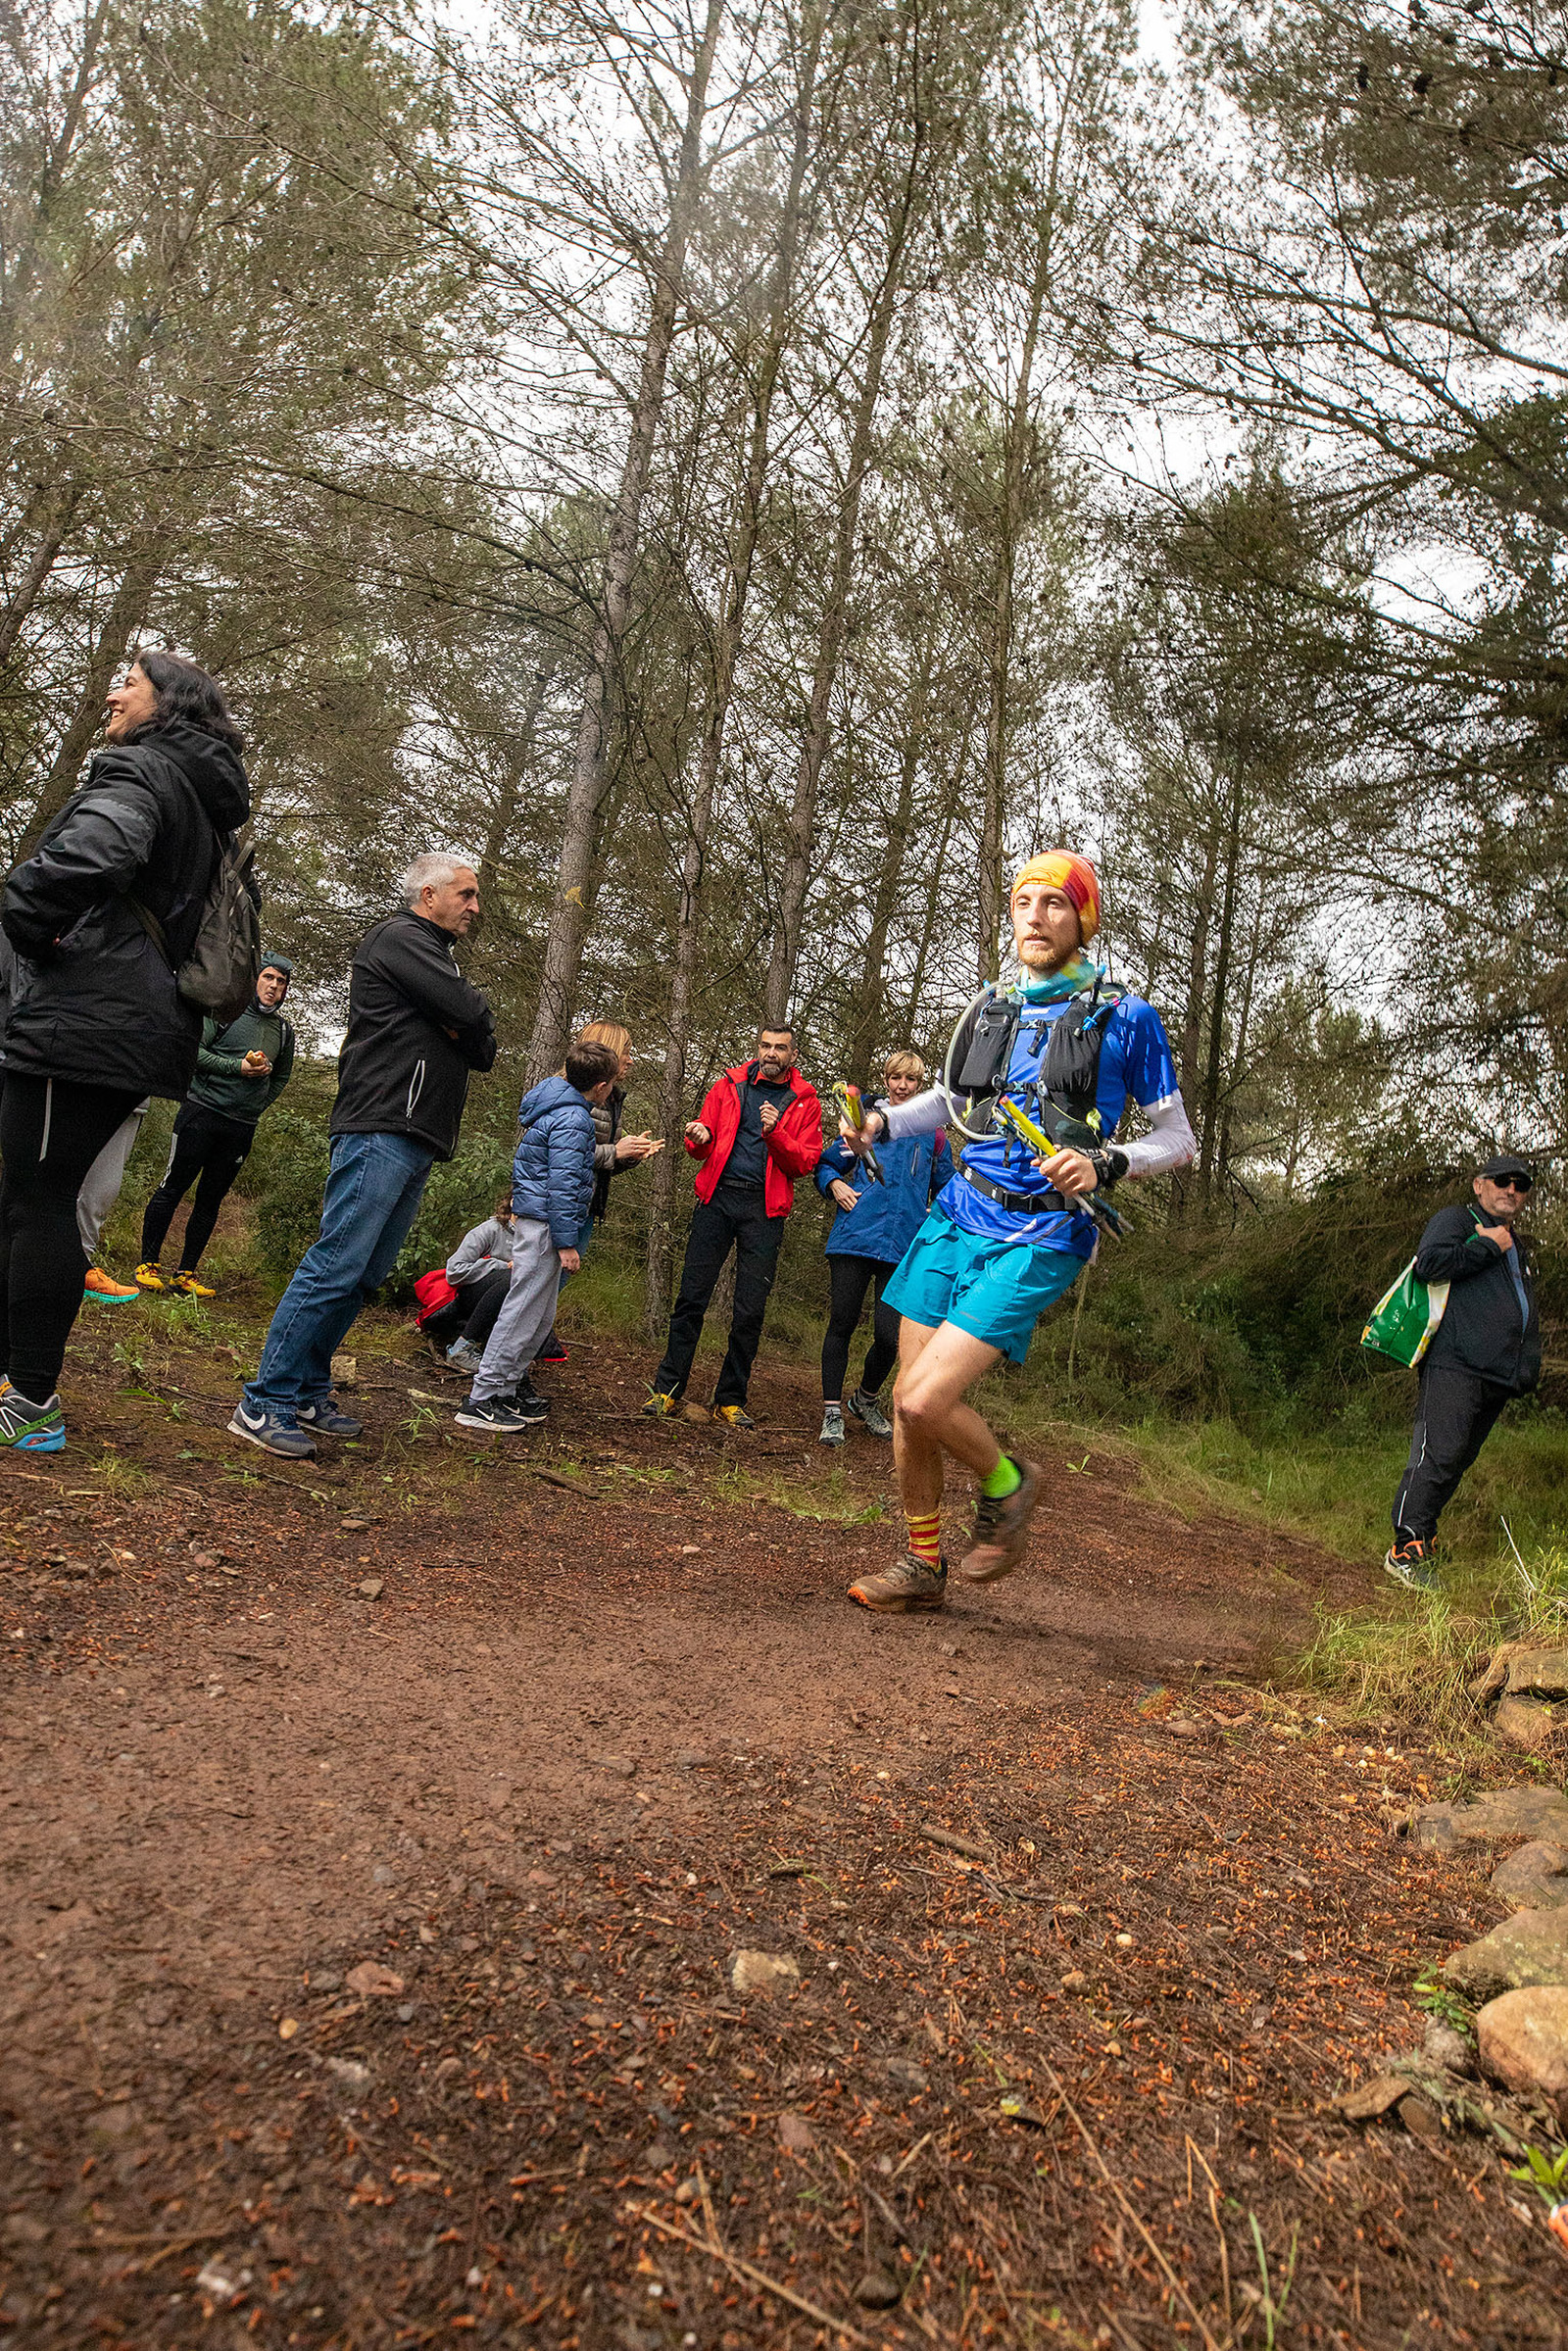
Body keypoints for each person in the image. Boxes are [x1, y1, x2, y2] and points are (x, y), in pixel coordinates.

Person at [838, 852, 1195, 1611]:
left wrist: (1107, 1162)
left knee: (923, 1400)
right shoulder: (992, 1004)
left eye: (1055, 903)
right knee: (907, 1404)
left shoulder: (1126, 1015)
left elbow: (1179, 1139)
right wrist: (879, 1123)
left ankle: (1008, 1481)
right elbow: (951, 1102)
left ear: (1083, 918)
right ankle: (922, 1566)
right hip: (957, 1214)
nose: (1036, 916)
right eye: (1024, 901)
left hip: (1041, 1232)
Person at [0, 649, 252, 1451]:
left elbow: (88, 858)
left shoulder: (143, 772)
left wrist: (25, 921)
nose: (112, 694)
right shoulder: (204, 803)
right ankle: (16, 1381)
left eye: (129, 684)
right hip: (135, 1024)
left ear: (168, 704)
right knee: (33, 1199)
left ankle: (30, 1400)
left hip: (85, 1017)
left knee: (39, 1200)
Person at [229, 856, 495, 1460]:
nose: (475, 907)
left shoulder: (437, 957)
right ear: (429, 895)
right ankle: (264, 1401)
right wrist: (456, 1019)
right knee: (335, 1264)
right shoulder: (400, 938)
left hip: (416, 1133)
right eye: (466, 894)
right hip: (380, 1122)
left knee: (364, 1274)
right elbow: (471, 1013)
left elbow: (482, 1047)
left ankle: (306, 1392)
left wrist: (459, 1020)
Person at [643, 1023, 823, 1428]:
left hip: (765, 1210)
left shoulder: (805, 1101)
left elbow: (805, 1162)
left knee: (749, 1310)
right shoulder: (728, 1085)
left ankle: (730, 1399)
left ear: (793, 1055)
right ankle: (667, 1391)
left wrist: (775, 1133)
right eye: (765, 1045)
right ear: (757, 1048)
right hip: (717, 1200)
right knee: (691, 1299)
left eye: (780, 1047)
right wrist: (698, 1136)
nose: (771, 1053)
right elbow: (701, 1144)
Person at [1385, 1152, 1542, 1592]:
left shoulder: (1514, 1241)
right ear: (1479, 1185)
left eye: (1521, 1185)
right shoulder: (1457, 1220)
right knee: (1437, 1454)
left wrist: (1525, 1367)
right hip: (1455, 1365)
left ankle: (1424, 1537)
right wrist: (1489, 1245)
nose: (1511, 1189)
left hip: (1497, 1375)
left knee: (1455, 1461)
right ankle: (1405, 1548)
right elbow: (1430, 1264)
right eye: (1502, 1180)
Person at [454, 1039, 621, 1432]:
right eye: (612, 1082)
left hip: (543, 1223)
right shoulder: (573, 1119)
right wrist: (566, 1243)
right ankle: (481, 1397)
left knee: (538, 1313)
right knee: (523, 1310)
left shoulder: (563, 1110)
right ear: (601, 1087)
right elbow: (562, 1186)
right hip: (545, 1226)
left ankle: (506, 1388)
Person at [815, 1050, 954, 1447]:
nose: (902, 1086)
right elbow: (827, 1164)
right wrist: (834, 1184)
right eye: (896, 1078)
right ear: (886, 1078)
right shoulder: (862, 1122)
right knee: (841, 1323)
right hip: (855, 1237)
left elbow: (947, 1188)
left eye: (910, 1080)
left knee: (890, 1336)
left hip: (903, 1246)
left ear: (920, 1085)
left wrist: (934, 1213)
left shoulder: (934, 1135)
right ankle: (831, 1412)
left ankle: (864, 1399)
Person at [135, 955, 296, 1295]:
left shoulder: (283, 1031)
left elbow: (281, 1077)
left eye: (280, 982)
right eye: (268, 978)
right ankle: (148, 1264)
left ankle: (185, 1274)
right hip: (201, 1113)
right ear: (254, 979)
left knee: (211, 1200)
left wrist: (256, 1105)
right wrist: (237, 1068)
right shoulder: (225, 1012)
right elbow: (195, 1053)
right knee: (173, 1187)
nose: (273, 986)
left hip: (241, 1126)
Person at [533, 1018, 662, 1366]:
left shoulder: (610, 1098)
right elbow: (561, 1156)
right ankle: (493, 1352)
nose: (631, 1060)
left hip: (585, 1203)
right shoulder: (573, 1097)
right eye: (626, 1052)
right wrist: (615, 1151)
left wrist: (629, 1155)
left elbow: (596, 1160)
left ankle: (522, 1354)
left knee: (552, 1287)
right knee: (536, 1287)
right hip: (557, 1206)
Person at [426, 1197, 517, 1369]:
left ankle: (501, 1356)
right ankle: (461, 1348)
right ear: (514, 1202)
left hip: (504, 1303)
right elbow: (454, 1270)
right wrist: (500, 1265)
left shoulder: (533, 1238)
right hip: (467, 1299)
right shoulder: (491, 1229)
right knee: (511, 1277)